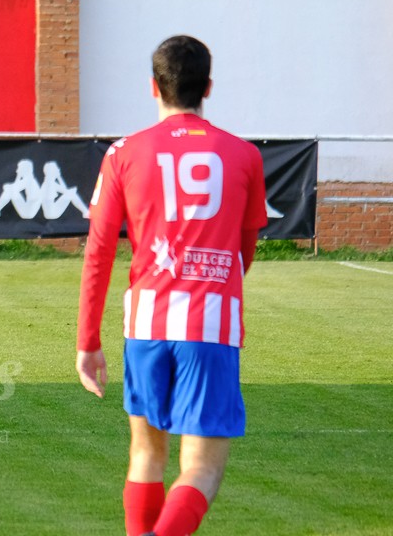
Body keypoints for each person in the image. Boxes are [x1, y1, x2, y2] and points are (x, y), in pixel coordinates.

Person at [76, 35, 267, 536]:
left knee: (145, 455)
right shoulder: (245, 156)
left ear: (153, 87)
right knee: (201, 468)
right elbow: (245, 250)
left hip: (146, 322)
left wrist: (87, 342)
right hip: (210, 324)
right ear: (208, 87)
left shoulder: (123, 153)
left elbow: (98, 250)